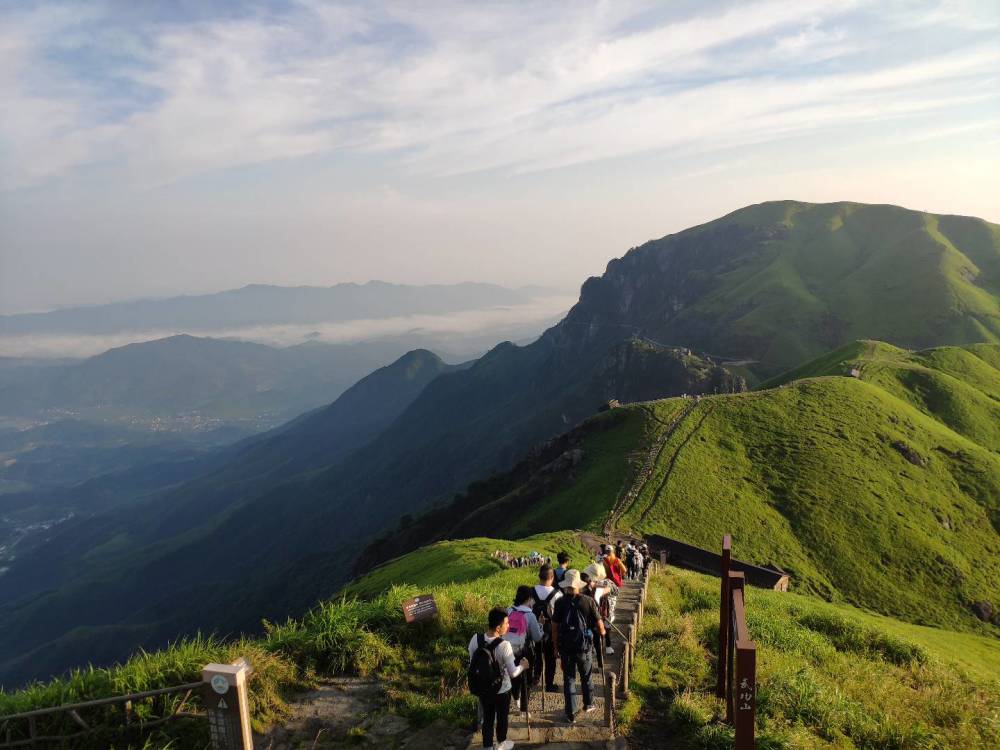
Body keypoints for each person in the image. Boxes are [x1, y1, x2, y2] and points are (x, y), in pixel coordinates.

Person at [468, 607, 529, 750]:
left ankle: (488, 746)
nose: (509, 626)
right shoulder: (504, 645)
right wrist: (523, 666)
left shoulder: (475, 639)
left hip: (483, 688)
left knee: (487, 718)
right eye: (506, 623)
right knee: (502, 718)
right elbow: (513, 673)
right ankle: (501, 743)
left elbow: (472, 662)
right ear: (498, 627)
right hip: (502, 689)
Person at [551, 569, 605, 723]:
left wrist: (556, 648)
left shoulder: (560, 603)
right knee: (586, 676)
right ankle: (588, 704)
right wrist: (600, 633)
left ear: (566, 585)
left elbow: (555, 628)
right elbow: (601, 628)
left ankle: (571, 713)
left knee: (569, 679)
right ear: (579, 585)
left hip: (566, 648)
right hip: (584, 648)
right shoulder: (588, 601)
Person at [506, 585, 543, 714]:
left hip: (508, 650)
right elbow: (537, 638)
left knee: (513, 675)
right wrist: (541, 627)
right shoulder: (530, 615)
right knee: (526, 679)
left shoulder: (508, 610)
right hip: (525, 651)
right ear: (529, 598)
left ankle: (515, 696)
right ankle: (524, 710)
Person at [532, 564, 563, 693]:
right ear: (552, 577)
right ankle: (549, 685)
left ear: (539, 577)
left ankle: (536, 677)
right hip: (551, 628)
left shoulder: (531, 591)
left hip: (534, 627)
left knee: (536, 655)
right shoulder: (557, 594)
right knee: (551, 658)